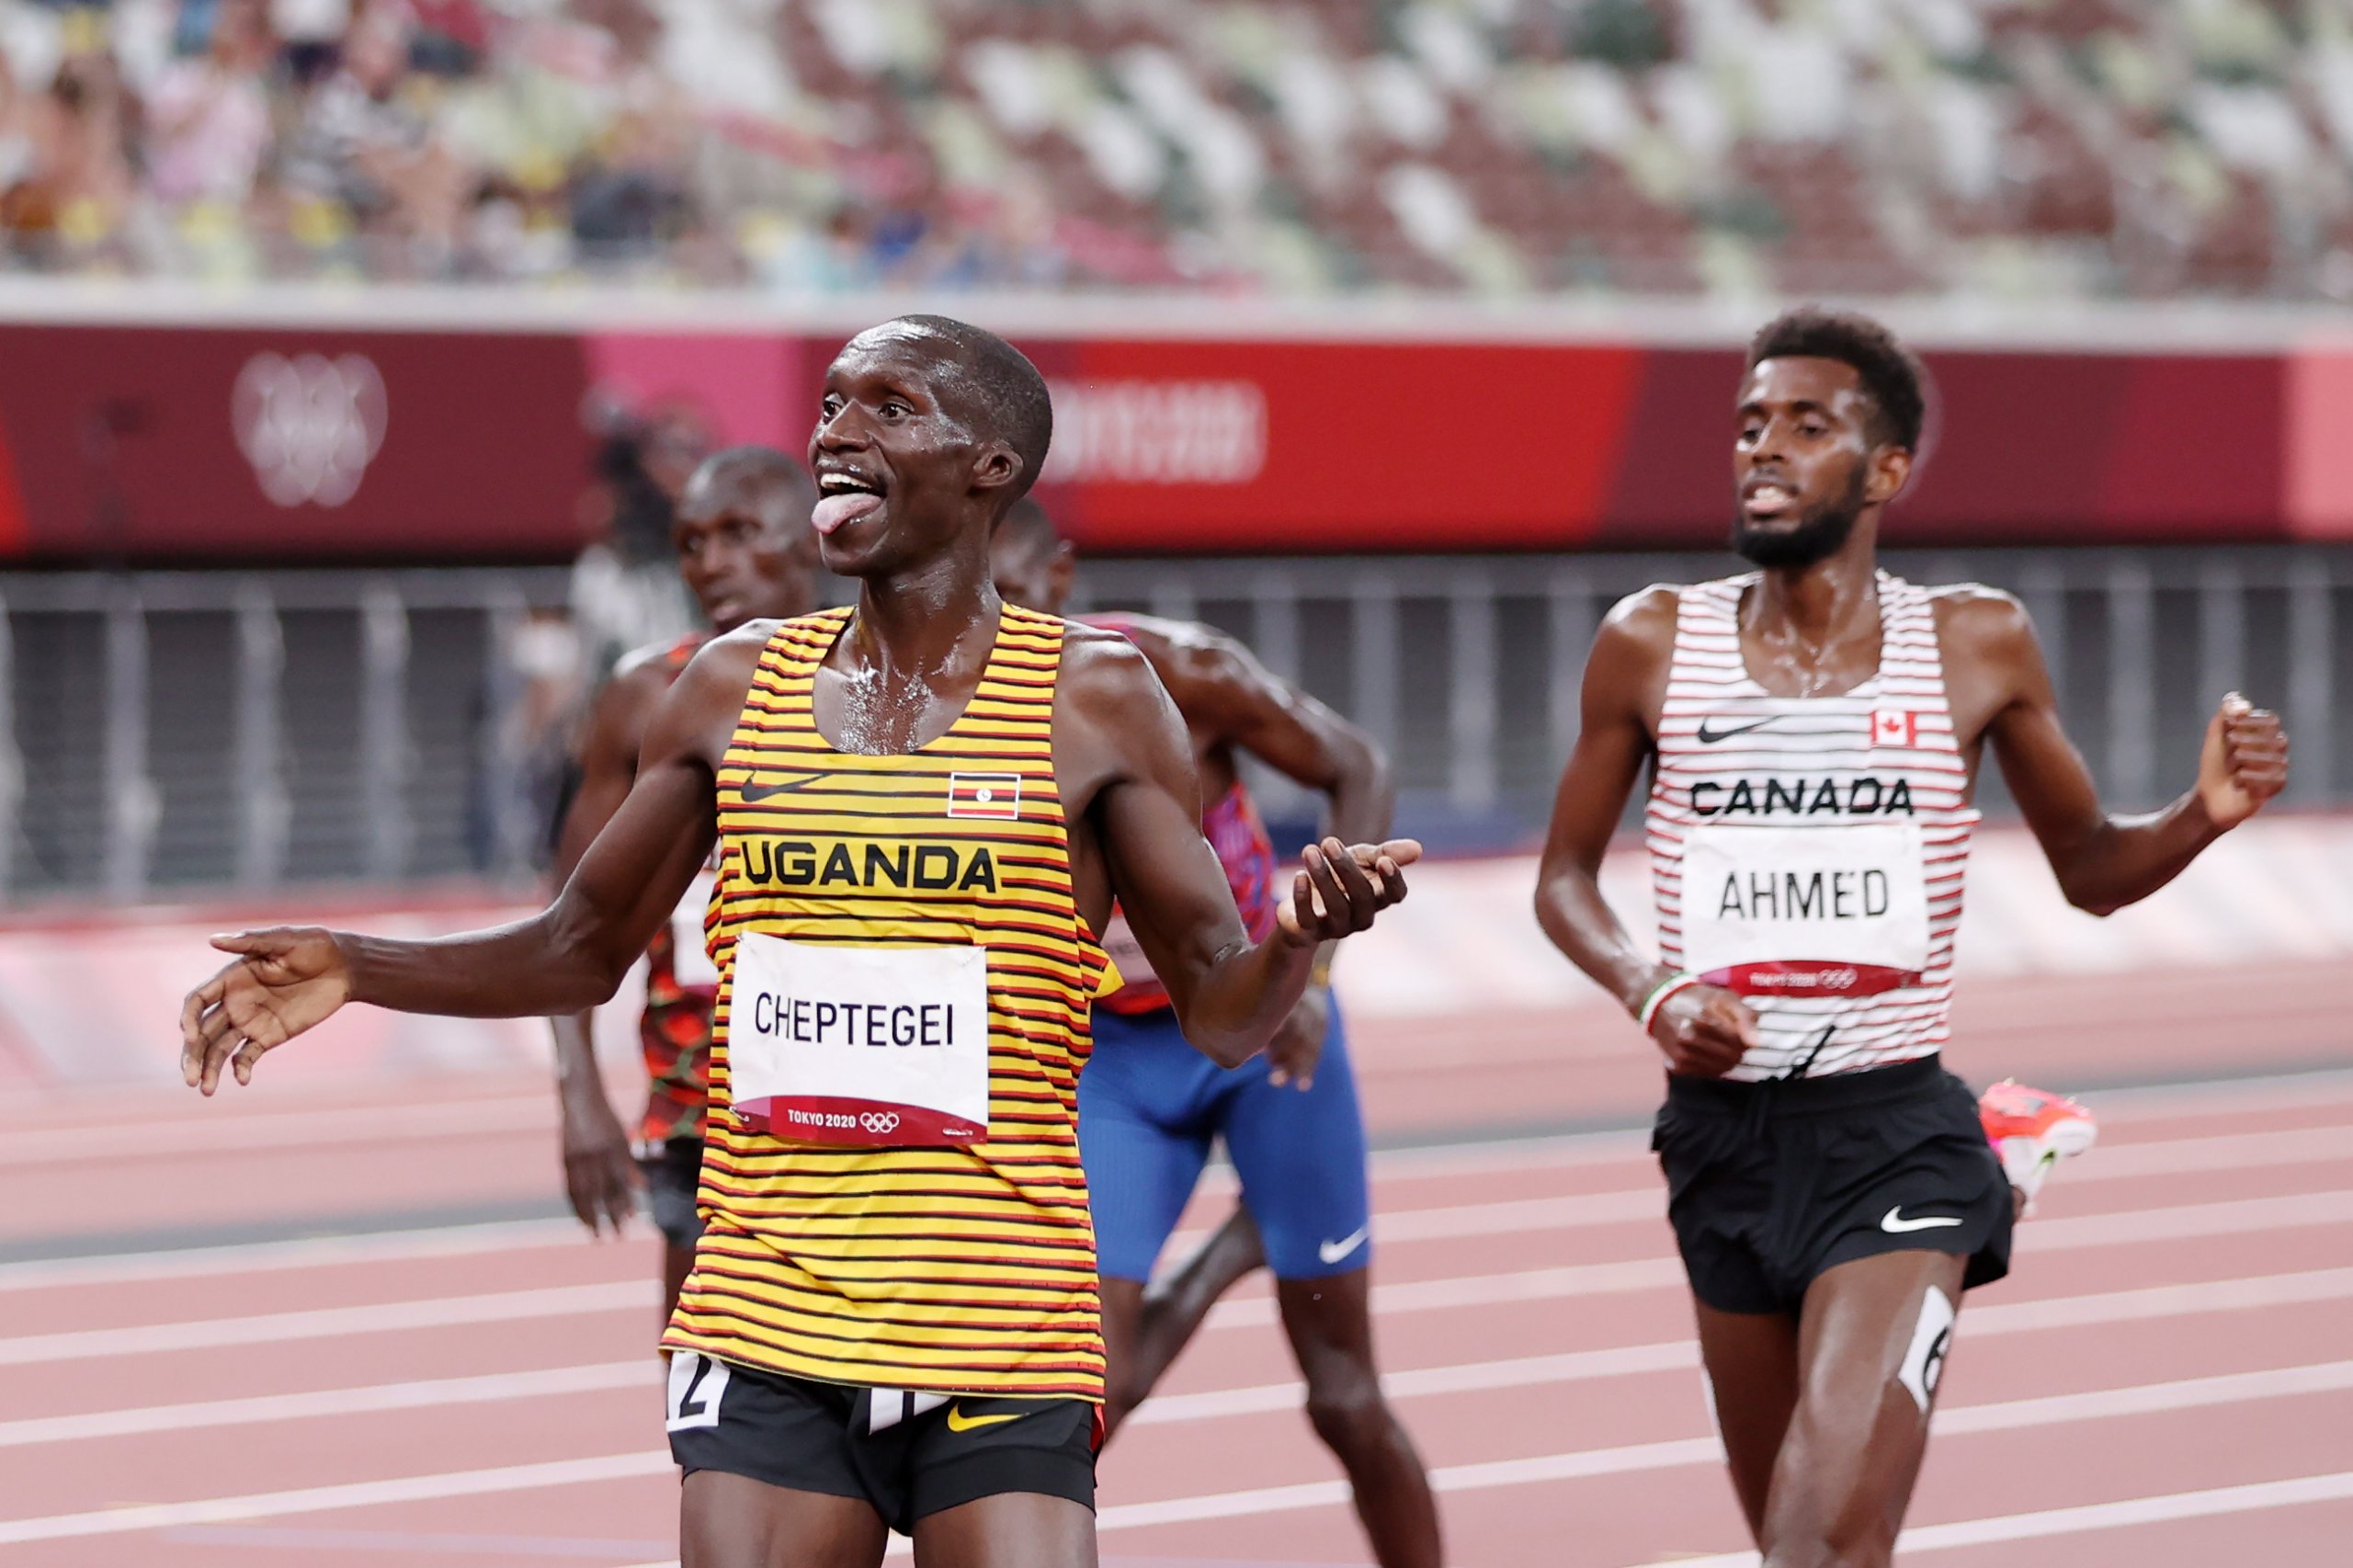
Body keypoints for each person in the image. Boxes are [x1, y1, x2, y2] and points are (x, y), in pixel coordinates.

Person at [178, 314, 1419, 1568]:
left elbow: (1217, 1004)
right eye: (830, 403)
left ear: (991, 463)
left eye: (887, 406)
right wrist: (356, 964)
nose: (834, 432)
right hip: (771, 1322)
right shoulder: (729, 687)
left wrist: (1299, 946)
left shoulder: (1092, 699)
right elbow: (578, 943)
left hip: (999, 1323)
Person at [1531, 306, 2288, 1568]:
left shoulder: (1970, 640)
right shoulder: (1651, 641)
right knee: (1813, 1540)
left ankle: (1978, 1171)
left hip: (1890, 1139)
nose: (1762, 448)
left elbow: (2091, 869)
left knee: (1817, 1543)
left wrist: (2203, 813)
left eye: (1807, 426)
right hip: (1719, 1141)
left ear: (1885, 470)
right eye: (1749, 423)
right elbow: (1563, 879)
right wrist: (1652, 988)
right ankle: (2004, 1164)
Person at [991, 502, 1440, 1568]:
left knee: (1342, 1394)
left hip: (1260, 1032)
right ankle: (1227, 1252)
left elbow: (1356, 761)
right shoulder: (950, 715)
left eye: (1009, 593)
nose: (991, 624)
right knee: (1096, 1391)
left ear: (1057, 571)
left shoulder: (1177, 669)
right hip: (1112, 1055)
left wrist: (1318, 968)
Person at [549, 446, 820, 1327]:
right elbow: (570, 923)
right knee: (704, 1391)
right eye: (693, 541)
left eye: (741, 534)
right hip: (699, 1096)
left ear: (816, 540)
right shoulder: (644, 695)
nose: (710, 563)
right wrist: (581, 1095)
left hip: (864, 1091)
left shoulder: (902, 690)